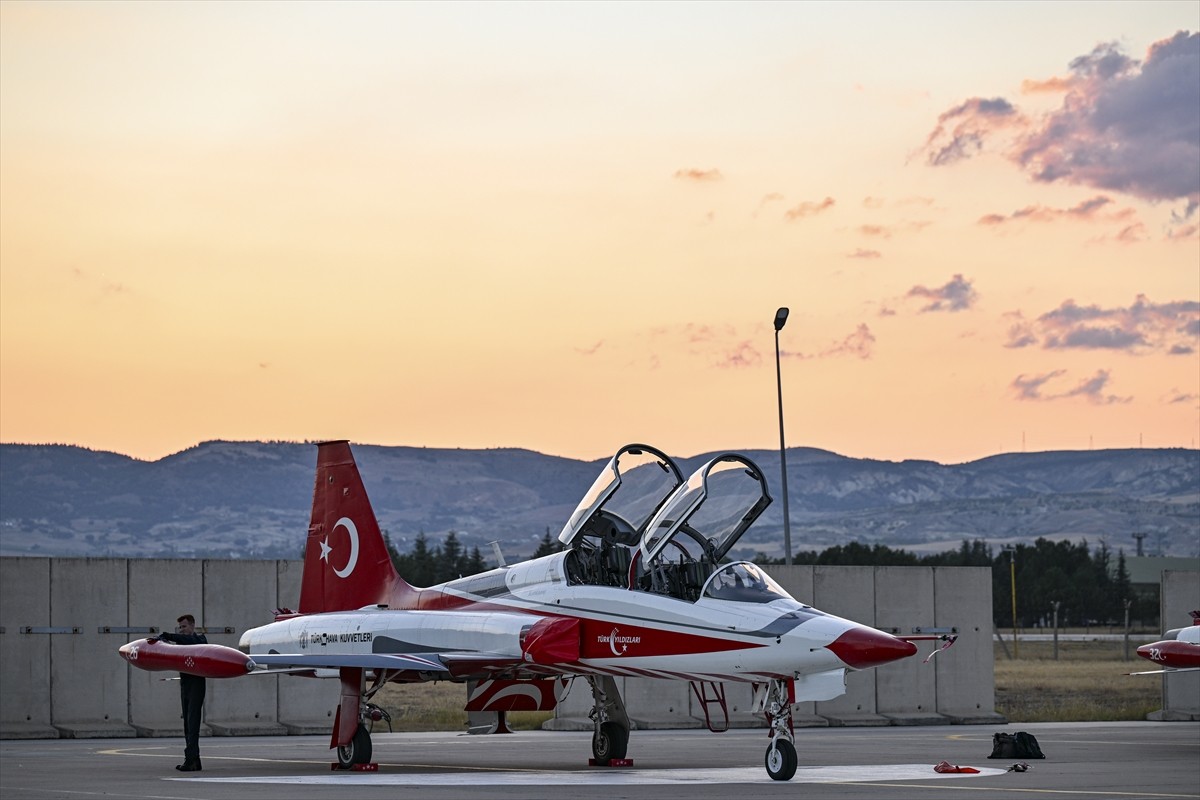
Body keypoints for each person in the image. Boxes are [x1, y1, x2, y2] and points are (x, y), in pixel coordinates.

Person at [158, 613, 207, 771]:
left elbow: (190, 642)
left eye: (184, 626)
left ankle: (191, 759)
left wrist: (168, 636)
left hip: (196, 686)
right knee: (187, 723)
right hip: (185, 685)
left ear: (192, 626)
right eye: (180, 627)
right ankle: (195, 760)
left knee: (193, 723)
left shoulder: (200, 640)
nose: (181, 630)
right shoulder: (181, 643)